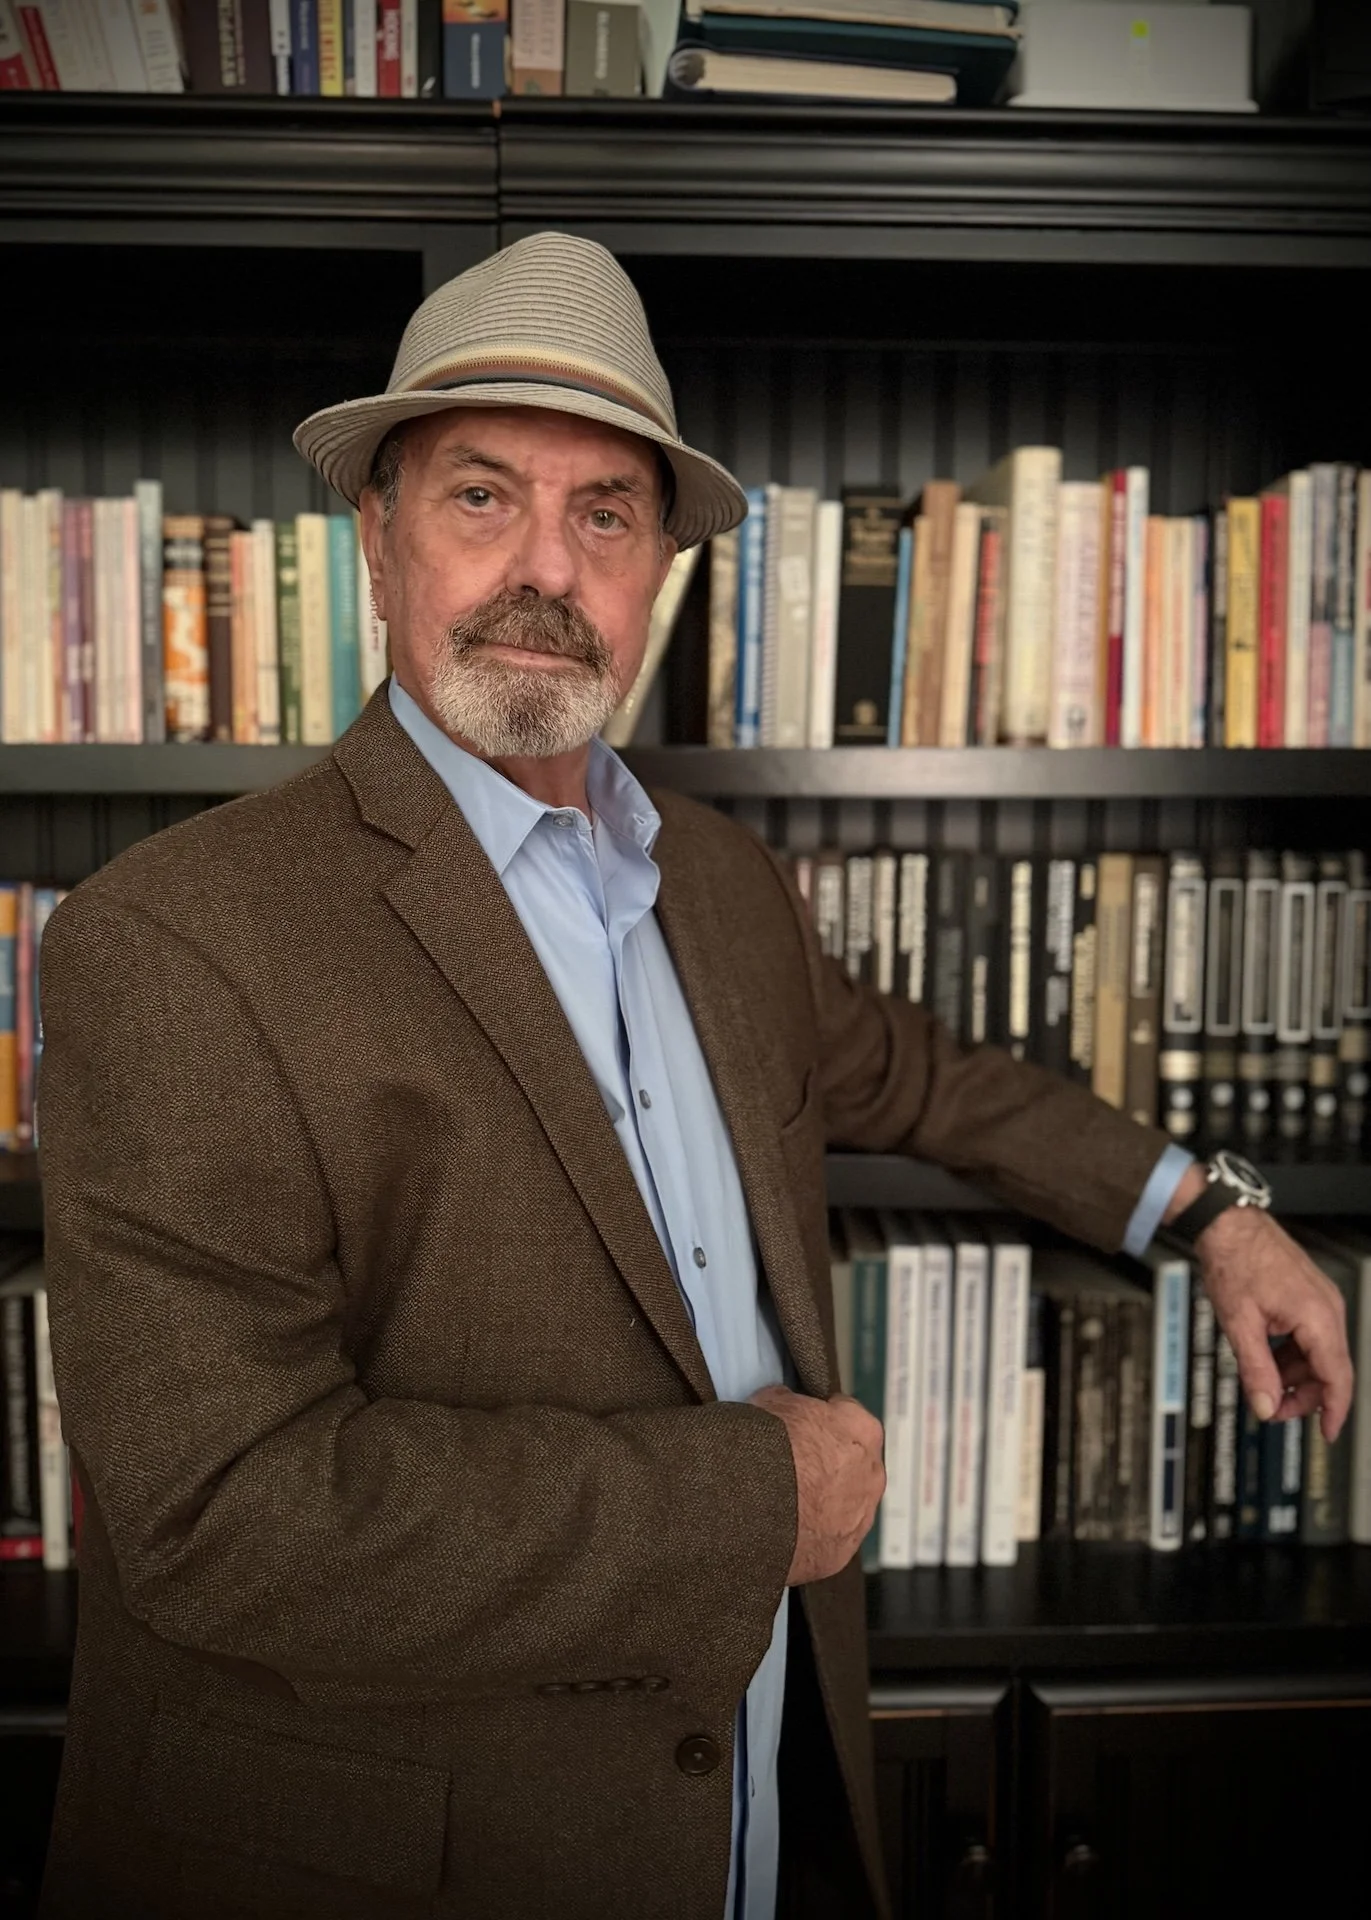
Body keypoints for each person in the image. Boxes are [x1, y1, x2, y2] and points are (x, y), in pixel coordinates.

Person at [36, 232, 1352, 1920]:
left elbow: (926, 1078)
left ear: (661, 561)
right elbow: (224, 1516)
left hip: (761, 1798)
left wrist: (1211, 1214)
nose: (543, 568)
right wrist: (756, 1499)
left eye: (604, 513)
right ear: (374, 537)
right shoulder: (171, 939)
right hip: (421, 1857)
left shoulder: (717, 882)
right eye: (479, 494)